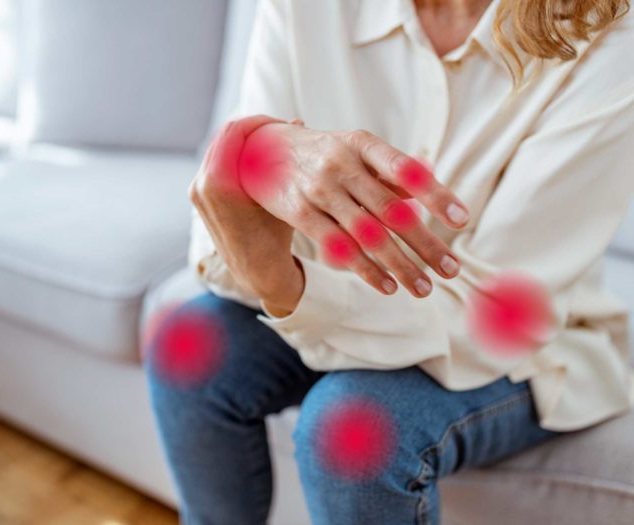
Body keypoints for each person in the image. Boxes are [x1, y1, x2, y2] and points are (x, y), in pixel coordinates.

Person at [147, 0, 634, 523]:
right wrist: (256, 161)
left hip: (525, 346)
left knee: (352, 429)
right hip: (336, 292)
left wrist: (285, 284)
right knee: (190, 344)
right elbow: (220, 229)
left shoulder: (609, 39)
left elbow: (490, 315)